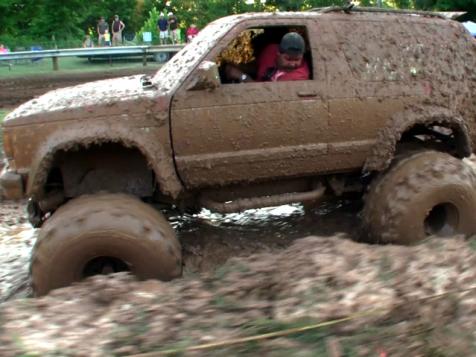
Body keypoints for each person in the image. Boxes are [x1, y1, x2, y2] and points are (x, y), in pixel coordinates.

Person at [225, 32, 310, 83]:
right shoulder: (270, 51)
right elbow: (258, 67)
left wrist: (242, 76)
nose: (292, 64)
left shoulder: (299, 76)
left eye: (297, 60)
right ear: (278, 53)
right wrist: (237, 66)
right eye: (288, 59)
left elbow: (265, 94)